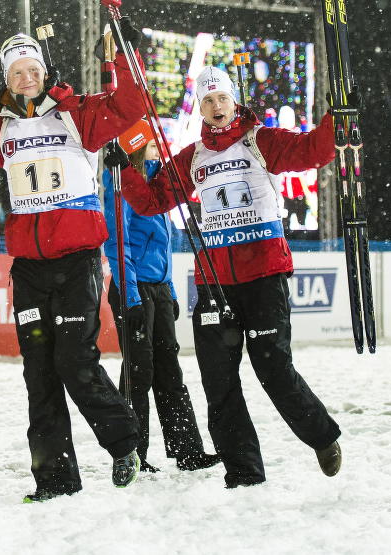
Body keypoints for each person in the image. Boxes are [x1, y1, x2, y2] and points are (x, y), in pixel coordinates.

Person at [0, 22, 146, 502]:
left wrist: (128, 53)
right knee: (39, 372)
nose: (26, 78)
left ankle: (124, 441)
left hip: (78, 260)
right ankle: (56, 480)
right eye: (17, 72)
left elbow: (131, 107)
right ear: (7, 78)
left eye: (32, 69)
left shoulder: (77, 115)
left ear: (43, 72)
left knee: (74, 360)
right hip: (29, 267)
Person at [122, 66, 342, 488]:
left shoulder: (259, 140)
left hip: (263, 274)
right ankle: (243, 473)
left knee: (273, 368)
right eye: (207, 101)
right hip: (215, 283)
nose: (215, 106)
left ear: (233, 100)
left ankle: (322, 435)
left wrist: (337, 117)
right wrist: (127, 170)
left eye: (221, 98)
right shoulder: (192, 157)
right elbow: (152, 201)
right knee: (218, 381)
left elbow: (315, 150)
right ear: (200, 108)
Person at [103, 119, 221, 474]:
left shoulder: (156, 185)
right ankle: (133, 453)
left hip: (156, 287)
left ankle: (187, 451)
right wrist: (133, 297)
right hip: (133, 289)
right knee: (139, 372)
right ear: (137, 147)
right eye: (153, 144)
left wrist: (168, 290)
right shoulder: (121, 186)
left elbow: (163, 246)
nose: (160, 148)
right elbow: (117, 244)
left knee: (169, 371)